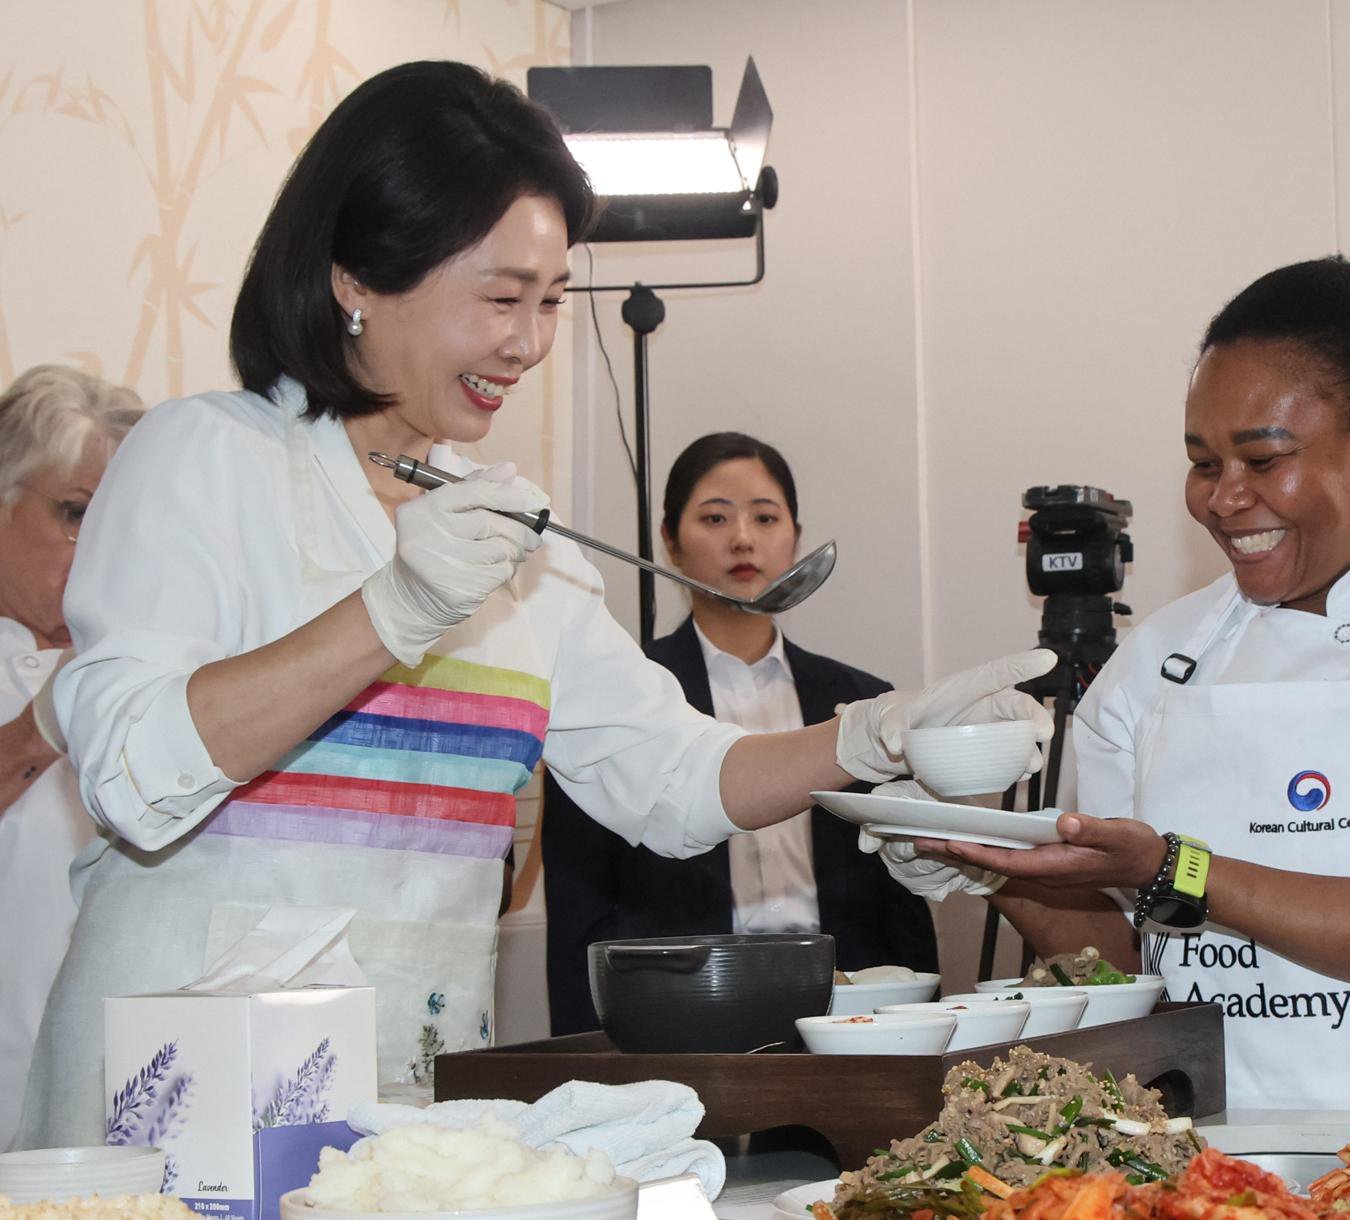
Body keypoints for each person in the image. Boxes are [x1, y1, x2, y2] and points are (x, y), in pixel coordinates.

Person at [17, 61, 1052, 1147]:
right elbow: (131, 771)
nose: (530, 341)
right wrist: (390, 611)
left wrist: (873, 736)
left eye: (552, 300)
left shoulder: (511, 532)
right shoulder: (207, 458)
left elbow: (675, 778)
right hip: (173, 1108)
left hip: (401, 1111)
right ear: (357, 276)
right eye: (502, 297)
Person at [883, 257, 1350, 1112]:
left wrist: (1180, 870)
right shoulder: (1158, 659)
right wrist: (990, 865)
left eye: (1263, 459)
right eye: (1203, 463)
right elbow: (1132, 963)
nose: (1224, 499)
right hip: (1214, 1146)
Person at [543, 432, 938, 1034]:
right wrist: (587, 1045)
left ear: (796, 538)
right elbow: (580, 898)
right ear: (670, 541)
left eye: (765, 517)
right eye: (715, 517)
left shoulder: (864, 702)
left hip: (851, 1012)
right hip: (684, 1014)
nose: (743, 539)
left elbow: (901, 896)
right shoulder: (617, 696)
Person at [0, 366, 143, 1150]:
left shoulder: (160, 662)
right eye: (76, 514)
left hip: (131, 1096)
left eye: (121, 520)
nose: (102, 548)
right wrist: (40, 729)